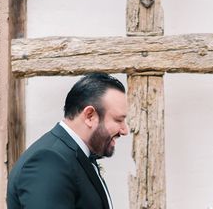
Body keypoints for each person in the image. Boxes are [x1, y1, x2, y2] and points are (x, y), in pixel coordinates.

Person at [7, 73, 129, 209]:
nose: (125, 130)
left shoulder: (73, 155)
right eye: (118, 120)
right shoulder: (49, 161)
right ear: (90, 116)